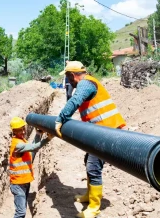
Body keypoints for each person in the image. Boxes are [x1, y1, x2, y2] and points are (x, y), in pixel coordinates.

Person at [54, 61, 126, 218]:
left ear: (72, 75)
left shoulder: (86, 84)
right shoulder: (88, 82)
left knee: (93, 166)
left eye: (67, 77)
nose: (67, 81)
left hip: (105, 131)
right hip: (98, 130)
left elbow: (75, 101)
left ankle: (94, 207)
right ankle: (89, 195)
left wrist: (61, 119)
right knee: (89, 161)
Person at [9, 117, 54, 218]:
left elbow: (32, 149)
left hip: (25, 182)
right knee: (20, 212)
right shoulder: (17, 144)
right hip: (18, 185)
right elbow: (34, 147)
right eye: (20, 130)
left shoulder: (22, 140)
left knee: (22, 209)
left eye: (24, 128)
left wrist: (38, 134)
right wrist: (48, 139)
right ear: (14, 131)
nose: (23, 131)